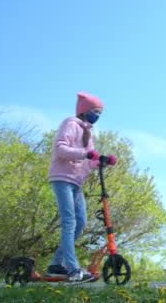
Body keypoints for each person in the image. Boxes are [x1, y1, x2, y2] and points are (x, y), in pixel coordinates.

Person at [45, 92, 105, 282]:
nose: (98, 116)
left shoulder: (89, 132)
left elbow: (89, 158)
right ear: (85, 110)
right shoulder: (71, 123)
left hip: (77, 182)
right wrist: (84, 154)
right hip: (62, 177)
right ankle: (72, 269)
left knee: (81, 223)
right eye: (95, 111)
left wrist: (102, 161)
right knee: (69, 222)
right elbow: (60, 149)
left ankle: (56, 264)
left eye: (100, 113)